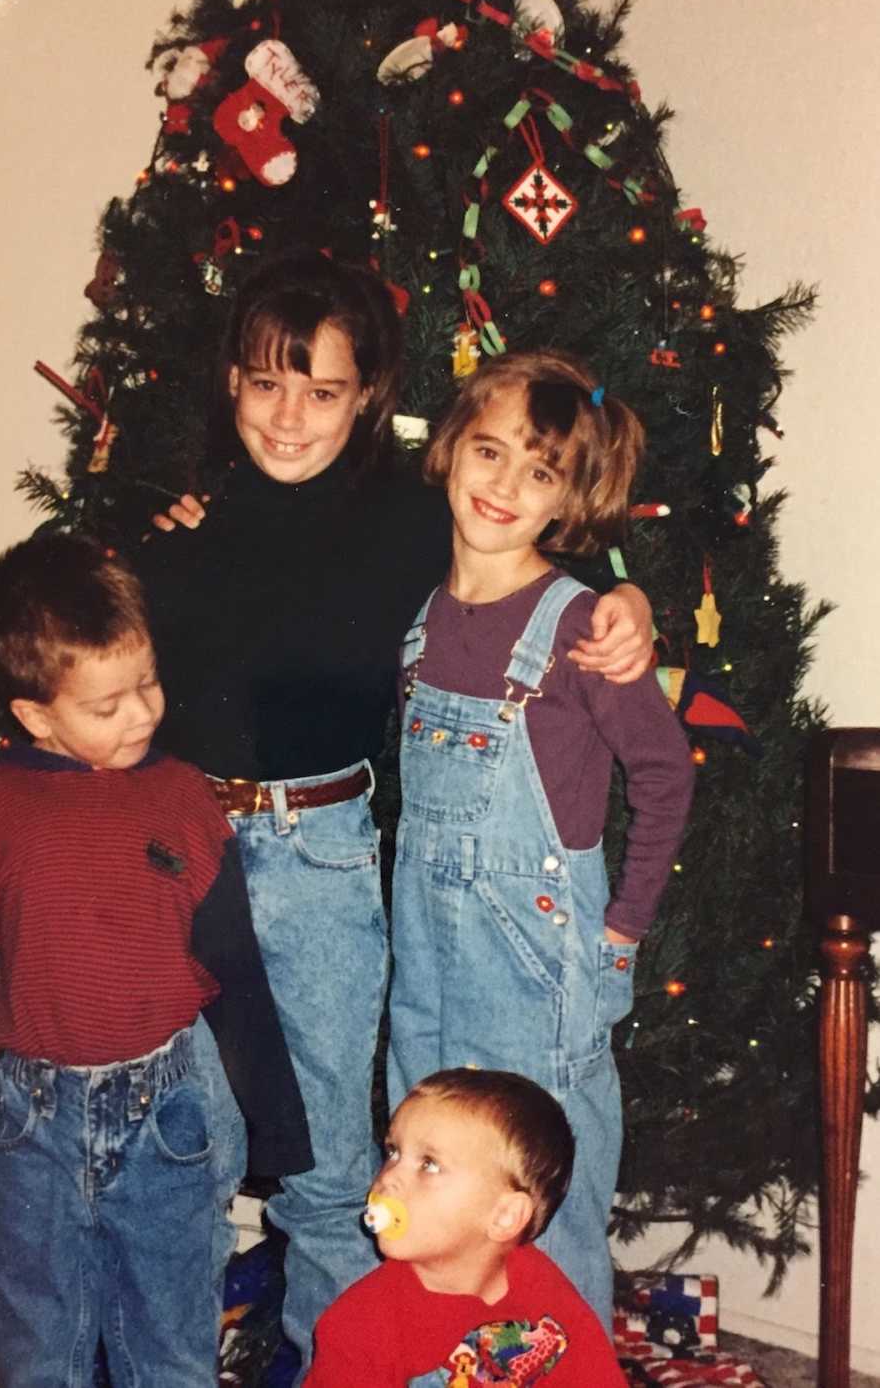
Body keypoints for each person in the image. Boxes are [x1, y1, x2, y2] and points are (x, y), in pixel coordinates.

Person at [136, 250, 655, 1373]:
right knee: (181, 1152)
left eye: (324, 389)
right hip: (179, 853)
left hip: (322, 858)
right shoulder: (173, 523)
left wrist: (631, 596)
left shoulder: (412, 525)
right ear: (232, 381)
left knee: (331, 1170)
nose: (291, 414)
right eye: (270, 382)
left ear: (368, 395)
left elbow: (538, 543)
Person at [387, 352, 695, 1332]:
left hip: (539, 974)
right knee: (432, 1209)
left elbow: (665, 774)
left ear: (567, 499)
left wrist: (624, 931)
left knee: (539, 1233)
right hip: (425, 973)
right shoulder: (422, 618)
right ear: (449, 451)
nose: (505, 487)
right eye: (489, 452)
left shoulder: (583, 628)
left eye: (539, 472)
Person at [0, 533, 312, 1388]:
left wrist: (274, 1126)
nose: (141, 715)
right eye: (107, 705)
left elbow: (234, 972)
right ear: (34, 715)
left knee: (169, 1339)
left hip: (163, 1113)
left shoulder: (181, 797)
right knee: (37, 1342)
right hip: (29, 1120)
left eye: (148, 685)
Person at [303, 1068, 628, 1387]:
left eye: (429, 1164)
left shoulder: (540, 1287)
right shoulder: (359, 1325)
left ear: (504, 1217)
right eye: (393, 1152)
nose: (388, 1177)